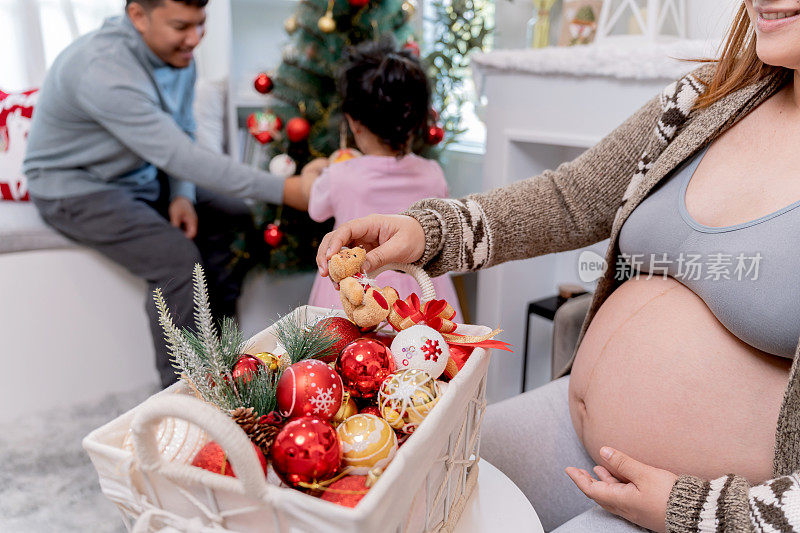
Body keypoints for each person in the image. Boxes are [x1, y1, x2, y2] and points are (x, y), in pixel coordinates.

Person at [314, 1, 800, 530]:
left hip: (708, 508)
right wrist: (432, 231)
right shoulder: (708, 98)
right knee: (392, 490)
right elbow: (570, 198)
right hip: (568, 427)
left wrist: (706, 513)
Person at [23, 0, 314, 388]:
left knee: (232, 216)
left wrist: (181, 194)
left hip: (140, 174)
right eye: (181, 26)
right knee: (176, 260)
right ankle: (185, 397)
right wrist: (287, 189)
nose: (194, 38)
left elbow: (182, 128)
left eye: (201, 23)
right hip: (76, 187)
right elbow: (181, 154)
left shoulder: (178, 55)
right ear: (139, 16)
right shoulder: (103, 69)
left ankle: (224, 359)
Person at [301, 39, 463, 320]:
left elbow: (316, 207)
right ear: (417, 120)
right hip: (422, 294)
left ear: (354, 121)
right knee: (425, 357)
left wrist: (312, 170)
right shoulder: (433, 173)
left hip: (356, 293)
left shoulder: (341, 173)